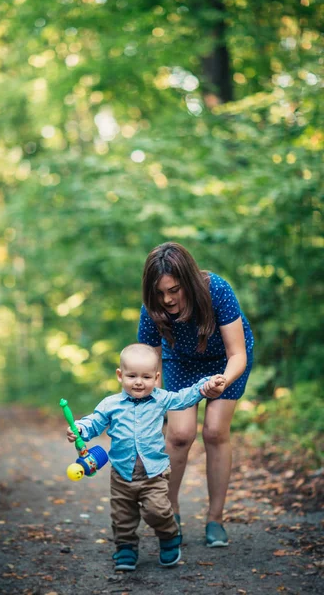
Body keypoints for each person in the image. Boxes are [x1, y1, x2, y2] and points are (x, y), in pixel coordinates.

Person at [66, 343, 225, 571]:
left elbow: (184, 398)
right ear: (120, 376)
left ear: (156, 377)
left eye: (146, 376)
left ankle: (169, 536)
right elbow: (94, 422)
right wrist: (80, 429)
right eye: (132, 376)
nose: (139, 382)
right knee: (123, 518)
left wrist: (205, 386)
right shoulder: (111, 404)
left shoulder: (161, 399)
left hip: (154, 474)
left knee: (157, 510)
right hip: (122, 475)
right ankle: (126, 548)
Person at [138, 242, 254, 548]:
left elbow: (237, 354)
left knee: (215, 431)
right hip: (181, 361)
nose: (167, 299)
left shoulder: (217, 290)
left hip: (224, 362)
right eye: (160, 293)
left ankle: (215, 519)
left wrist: (223, 380)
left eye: (174, 290)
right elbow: (149, 362)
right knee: (179, 434)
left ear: (188, 281)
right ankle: (170, 513)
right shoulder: (152, 306)